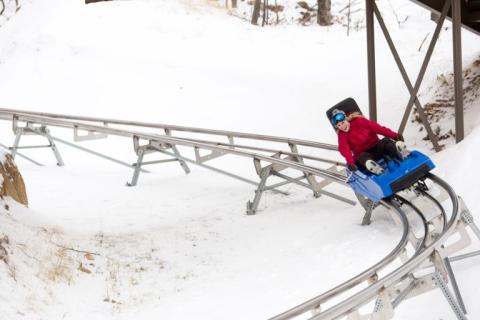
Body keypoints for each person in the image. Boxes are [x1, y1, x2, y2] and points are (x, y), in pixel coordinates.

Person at [330, 109, 406, 175]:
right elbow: (344, 149)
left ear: (346, 119)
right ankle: (376, 169)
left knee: (386, 141)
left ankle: (400, 153)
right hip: (365, 155)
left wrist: (394, 135)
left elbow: (378, 128)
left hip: (376, 146)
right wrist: (350, 162)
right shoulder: (342, 135)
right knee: (362, 157)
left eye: (343, 123)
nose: (342, 127)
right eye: (339, 125)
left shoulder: (359, 121)